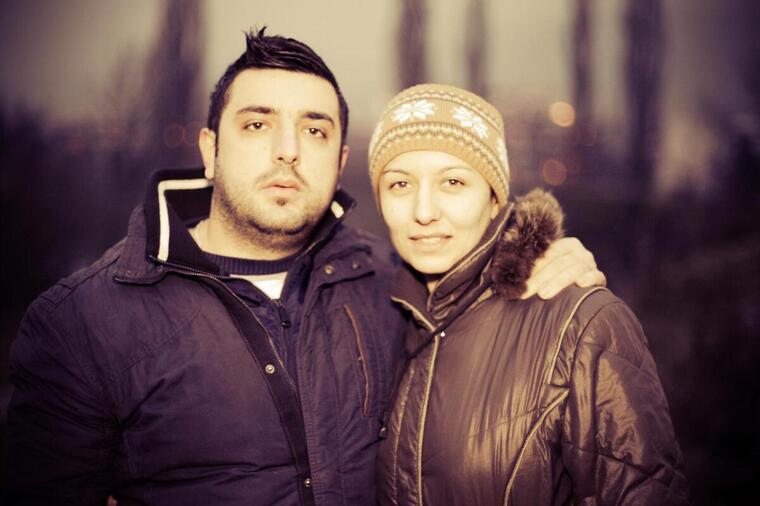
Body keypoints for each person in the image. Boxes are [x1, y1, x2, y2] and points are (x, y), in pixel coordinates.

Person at [4, 30, 604, 505]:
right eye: (257, 124)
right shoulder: (85, 322)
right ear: (210, 150)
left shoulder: (389, 281)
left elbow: (484, 316)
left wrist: (537, 257)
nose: (287, 150)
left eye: (314, 130)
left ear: (339, 162)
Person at [368, 84, 689, 505]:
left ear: (494, 198)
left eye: (453, 181)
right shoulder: (386, 321)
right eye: (399, 184)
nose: (424, 211)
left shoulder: (583, 322)